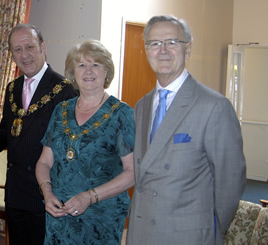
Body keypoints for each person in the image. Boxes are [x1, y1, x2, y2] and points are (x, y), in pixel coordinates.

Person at [126, 15, 246, 245]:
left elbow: (230, 183)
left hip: (186, 235)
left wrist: (209, 230)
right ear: (146, 51)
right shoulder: (141, 106)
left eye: (172, 42)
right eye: (154, 43)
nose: (163, 50)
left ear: (188, 49)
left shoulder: (213, 106)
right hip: (141, 232)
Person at [35, 40, 135, 244]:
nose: (88, 71)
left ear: (106, 71)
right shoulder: (61, 110)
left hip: (101, 218)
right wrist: (47, 192)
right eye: (81, 65)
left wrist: (90, 196)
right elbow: (45, 162)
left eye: (95, 64)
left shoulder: (121, 114)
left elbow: (133, 172)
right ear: (73, 73)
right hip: (59, 214)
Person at [0, 24, 77, 245]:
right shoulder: (12, 88)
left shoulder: (64, 90)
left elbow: (69, 146)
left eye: (29, 46)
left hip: (45, 193)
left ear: (43, 47)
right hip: (15, 190)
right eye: (17, 49)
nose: (24, 55)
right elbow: (8, 131)